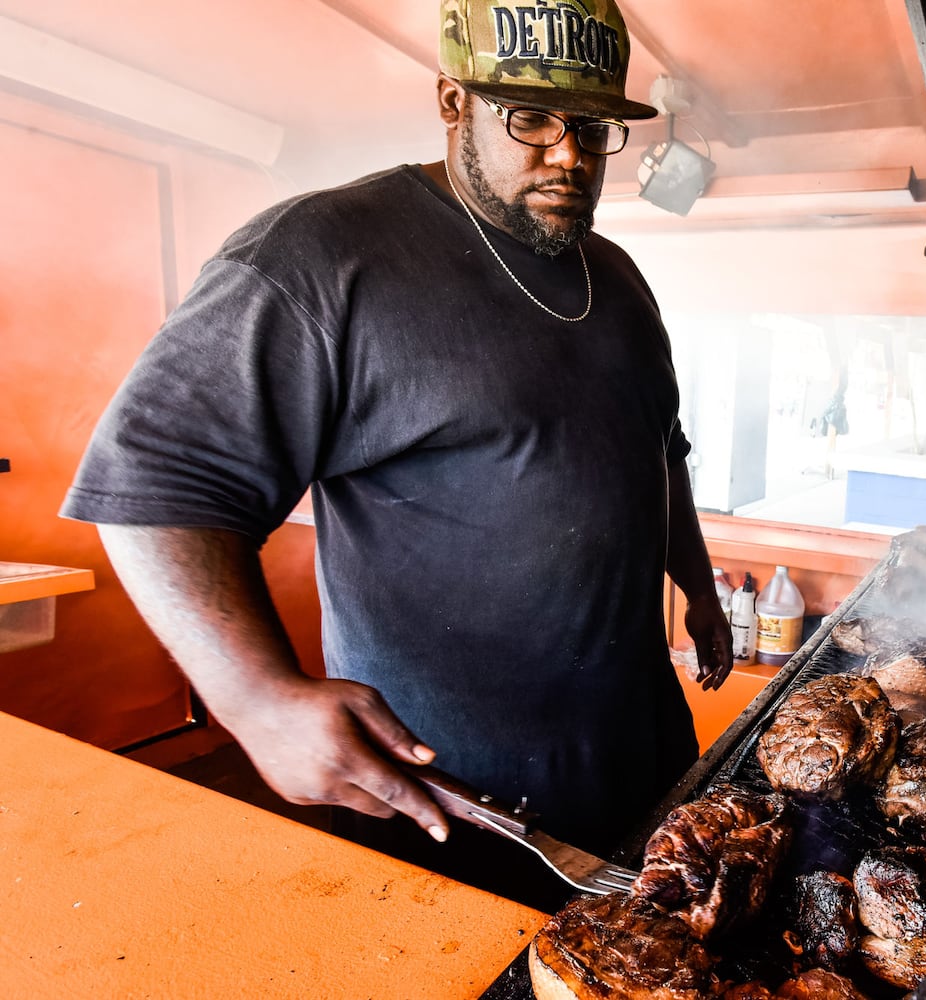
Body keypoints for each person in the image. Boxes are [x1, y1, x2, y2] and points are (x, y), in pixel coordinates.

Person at [60, 0, 732, 910]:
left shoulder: (613, 276)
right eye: (528, 119)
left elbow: (661, 443)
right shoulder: (321, 254)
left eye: (591, 127)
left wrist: (693, 579)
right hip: (456, 802)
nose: (568, 155)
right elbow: (154, 484)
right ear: (454, 102)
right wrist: (256, 700)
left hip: (645, 757)